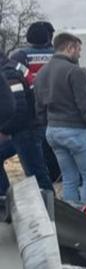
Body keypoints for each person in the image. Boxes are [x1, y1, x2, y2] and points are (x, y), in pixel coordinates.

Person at [35, 33, 86, 205]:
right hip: (76, 131)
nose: (80, 54)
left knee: (69, 178)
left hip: (53, 131)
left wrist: (47, 126)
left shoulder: (42, 72)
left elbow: (38, 106)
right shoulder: (75, 71)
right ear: (69, 47)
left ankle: (72, 223)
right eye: (78, 50)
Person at [10, 20, 60, 182]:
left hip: (34, 106)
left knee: (38, 145)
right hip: (57, 103)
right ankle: (56, 172)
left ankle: (46, 175)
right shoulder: (57, 54)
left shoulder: (20, 56)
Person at [0, 54, 54, 195]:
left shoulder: (7, 73)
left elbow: (17, 108)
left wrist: (3, 130)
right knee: (37, 173)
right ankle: (4, 199)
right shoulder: (12, 67)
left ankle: (50, 209)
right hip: (26, 127)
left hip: (25, 130)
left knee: (36, 175)